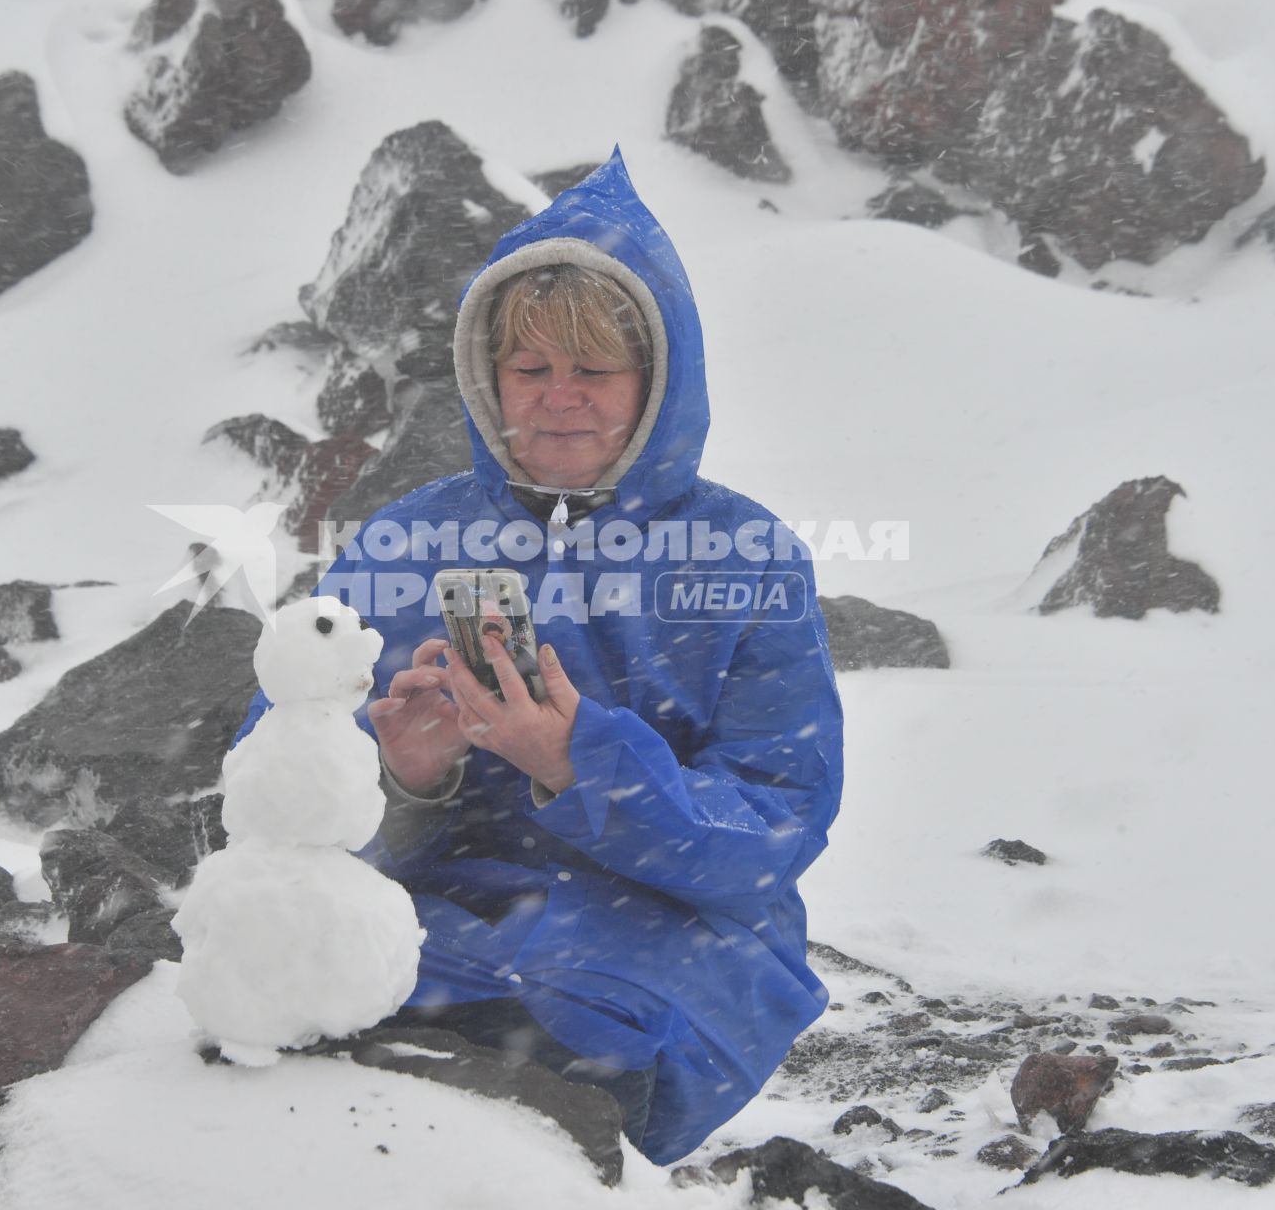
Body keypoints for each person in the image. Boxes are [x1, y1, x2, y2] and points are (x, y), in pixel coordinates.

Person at [231, 151, 843, 1164]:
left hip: (670, 924)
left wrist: (578, 759)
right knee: (299, 1011)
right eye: (531, 369)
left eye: (595, 370)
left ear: (656, 381)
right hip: (435, 904)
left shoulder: (747, 556)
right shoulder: (405, 542)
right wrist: (397, 775)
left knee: (560, 1063)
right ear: (486, 375)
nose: (560, 399)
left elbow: (776, 825)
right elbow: (274, 790)